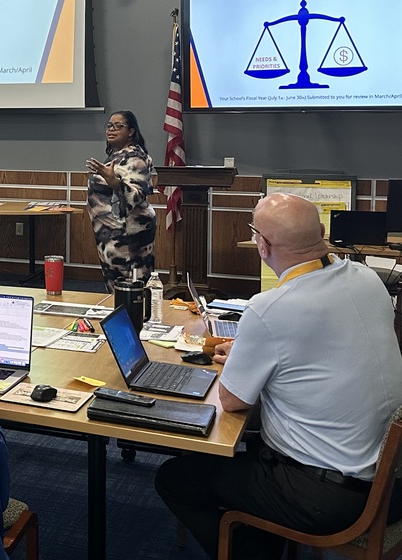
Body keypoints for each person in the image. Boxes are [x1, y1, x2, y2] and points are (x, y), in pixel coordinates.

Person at [154, 193, 402, 560]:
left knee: (175, 479)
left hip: (324, 497)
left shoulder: (270, 308)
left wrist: (245, 356)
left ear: (263, 245)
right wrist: (252, 354)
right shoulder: (367, 280)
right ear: (321, 232)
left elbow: (232, 400)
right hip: (390, 481)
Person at [85, 110, 157, 287]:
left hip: (128, 236)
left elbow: (137, 195)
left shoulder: (135, 157)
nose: (111, 129)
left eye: (118, 126)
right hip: (111, 234)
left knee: (131, 288)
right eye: (109, 125)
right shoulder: (119, 155)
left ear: (131, 131)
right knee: (117, 287)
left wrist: (113, 182)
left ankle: (132, 316)